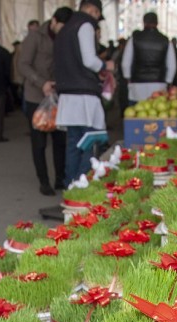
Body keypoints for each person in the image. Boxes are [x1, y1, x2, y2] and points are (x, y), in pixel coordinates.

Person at [54, 0, 111, 185]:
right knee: (89, 143)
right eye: (96, 14)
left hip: (67, 95)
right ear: (93, 10)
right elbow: (88, 60)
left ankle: (70, 186)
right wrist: (104, 65)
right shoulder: (85, 25)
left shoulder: (64, 29)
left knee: (73, 144)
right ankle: (81, 186)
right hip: (84, 96)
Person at [20, 6, 72, 195]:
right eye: (61, 27)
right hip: (36, 97)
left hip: (58, 97)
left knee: (60, 140)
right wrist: (41, 83)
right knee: (39, 142)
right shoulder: (35, 37)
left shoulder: (66, 37)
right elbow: (23, 64)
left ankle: (60, 178)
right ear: (53, 22)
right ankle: (44, 181)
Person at [121, 12, 176, 105]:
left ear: (144, 22)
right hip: (159, 84)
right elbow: (172, 65)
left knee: (136, 115)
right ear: (157, 23)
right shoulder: (166, 40)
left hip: (137, 85)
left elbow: (125, 63)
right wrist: (168, 81)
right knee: (156, 114)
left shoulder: (134, 39)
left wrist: (128, 77)